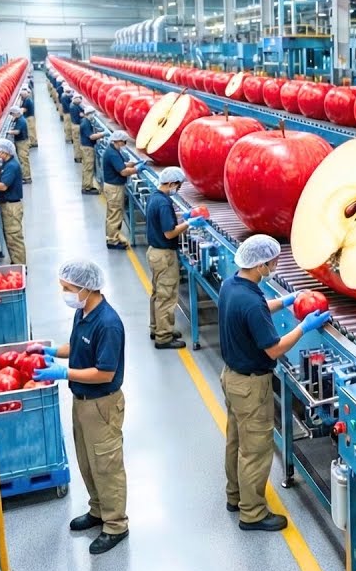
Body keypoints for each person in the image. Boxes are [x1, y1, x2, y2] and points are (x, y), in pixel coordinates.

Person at [218, 235, 331, 531]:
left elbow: (253, 312)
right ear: (260, 264)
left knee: (236, 441)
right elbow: (274, 348)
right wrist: (303, 327)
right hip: (251, 386)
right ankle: (252, 513)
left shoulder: (232, 285)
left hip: (231, 378)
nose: (276, 265)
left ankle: (235, 496)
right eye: (273, 261)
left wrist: (286, 301)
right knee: (255, 449)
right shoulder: (251, 301)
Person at [30, 260, 130, 555]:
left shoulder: (108, 324)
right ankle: (98, 510)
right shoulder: (83, 312)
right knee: (87, 461)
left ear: (87, 288)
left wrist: (63, 373)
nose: (64, 292)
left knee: (106, 465)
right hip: (81, 400)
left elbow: (105, 373)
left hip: (102, 404)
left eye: (68, 288)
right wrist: (51, 352)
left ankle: (116, 525)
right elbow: (77, 347)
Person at [145, 167, 207, 349]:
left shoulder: (155, 197)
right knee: (167, 295)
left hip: (154, 253)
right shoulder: (164, 203)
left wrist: (182, 216)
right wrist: (189, 223)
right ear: (171, 183)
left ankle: (157, 328)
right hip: (164, 255)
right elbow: (170, 233)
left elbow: (164, 221)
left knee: (158, 293)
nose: (178, 189)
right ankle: (163, 337)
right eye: (178, 186)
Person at [101, 131, 140, 250]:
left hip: (112, 186)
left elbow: (121, 165)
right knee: (115, 214)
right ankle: (112, 240)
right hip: (114, 188)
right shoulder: (112, 153)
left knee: (113, 213)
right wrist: (137, 169)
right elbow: (122, 171)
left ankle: (113, 237)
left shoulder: (113, 150)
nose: (125, 143)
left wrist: (133, 164)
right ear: (118, 141)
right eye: (124, 141)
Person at [79, 109, 105, 195]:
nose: (93, 116)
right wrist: (102, 134)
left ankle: (87, 184)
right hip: (87, 149)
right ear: (89, 114)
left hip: (85, 147)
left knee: (87, 167)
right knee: (88, 167)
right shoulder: (85, 123)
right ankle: (87, 188)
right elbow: (92, 137)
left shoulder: (85, 121)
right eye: (93, 114)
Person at [7, 107, 32, 184]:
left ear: (16, 113)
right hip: (21, 141)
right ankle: (25, 176)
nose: (12, 116)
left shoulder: (21, 121)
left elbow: (17, 131)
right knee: (22, 159)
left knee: (24, 159)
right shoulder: (20, 119)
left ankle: (27, 178)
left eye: (12, 114)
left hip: (22, 143)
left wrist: (9, 131)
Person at [69, 95, 85, 163]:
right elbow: (80, 115)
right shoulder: (74, 107)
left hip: (74, 125)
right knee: (78, 142)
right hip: (77, 126)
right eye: (79, 99)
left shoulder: (73, 105)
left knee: (76, 142)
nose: (80, 101)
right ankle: (78, 157)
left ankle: (78, 156)